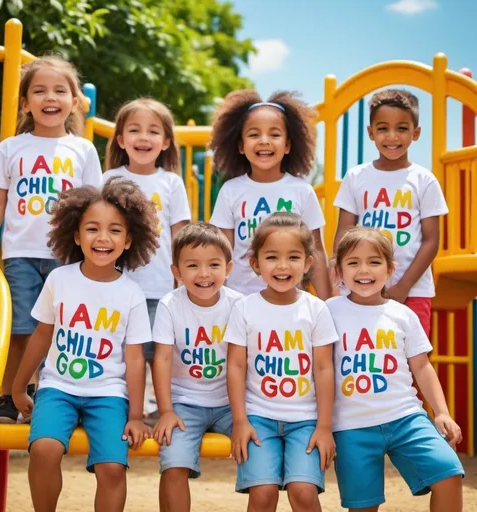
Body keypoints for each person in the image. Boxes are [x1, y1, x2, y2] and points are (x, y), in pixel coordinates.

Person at [0, 55, 103, 423]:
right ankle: (9, 395)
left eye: (60, 90)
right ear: (26, 103)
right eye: (39, 91)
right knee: (20, 331)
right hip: (21, 253)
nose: (49, 97)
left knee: (62, 330)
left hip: (68, 256)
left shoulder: (83, 149)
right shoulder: (12, 147)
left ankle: (50, 394)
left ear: (74, 102)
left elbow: (95, 205)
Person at [12, 177, 160, 512]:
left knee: (111, 467)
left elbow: (135, 359)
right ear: (76, 236)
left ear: (129, 240)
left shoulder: (131, 293)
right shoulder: (59, 280)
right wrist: (21, 386)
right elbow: (41, 336)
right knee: (44, 449)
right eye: (92, 229)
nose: (103, 238)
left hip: (108, 394)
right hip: (57, 389)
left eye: (115, 230)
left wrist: (136, 415)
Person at [327, 227, 464, 512]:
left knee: (449, 473)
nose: (364, 269)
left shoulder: (403, 314)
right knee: (364, 505)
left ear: (390, 269)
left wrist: (441, 412)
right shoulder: (327, 311)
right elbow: (319, 369)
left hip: (405, 418)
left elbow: (422, 366)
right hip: (351, 426)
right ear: (338, 271)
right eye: (353, 262)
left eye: (374, 261)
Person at [225, 212, 338, 512]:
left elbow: (325, 368)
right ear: (255, 263)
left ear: (308, 263)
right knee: (262, 494)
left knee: (302, 492)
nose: (283, 266)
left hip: (306, 421)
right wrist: (240, 421)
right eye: (272, 257)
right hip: (258, 419)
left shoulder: (316, 310)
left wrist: (324, 426)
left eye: (293, 257)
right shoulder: (244, 308)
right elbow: (235, 367)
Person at [333, 89, 448, 335]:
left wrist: (403, 286)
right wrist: (345, 277)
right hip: (360, 287)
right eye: (383, 128)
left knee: (412, 359)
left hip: (413, 290)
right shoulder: (356, 177)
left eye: (402, 128)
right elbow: (344, 232)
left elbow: (431, 240)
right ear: (371, 132)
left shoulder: (424, 180)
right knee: (359, 351)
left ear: (415, 133)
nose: (392, 136)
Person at [103, 98, 191, 421]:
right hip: (116, 284)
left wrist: (181, 276)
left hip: (157, 284)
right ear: (121, 139)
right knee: (123, 347)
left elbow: (180, 232)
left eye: (153, 131)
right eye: (135, 130)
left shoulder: (170, 182)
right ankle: (123, 403)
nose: (144, 137)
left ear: (166, 141)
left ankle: (159, 406)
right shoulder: (109, 178)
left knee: (159, 349)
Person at [152, 222, 241, 512]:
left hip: (231, 403)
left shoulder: (239, 305)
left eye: (213, 265)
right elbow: (162, 359)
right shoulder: (169, 305)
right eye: (192, 265)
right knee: (174, 463)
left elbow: (245, 361)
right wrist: (165, 411)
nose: (204, 274)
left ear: (228, 269)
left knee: (259, 450)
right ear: (176, 272)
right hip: (184, 404)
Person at [209, 90, 331, 299]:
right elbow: (221, 251)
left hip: (290, 302)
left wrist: (327, 301)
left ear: (288, 145)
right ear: (240, 146)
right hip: (240, 301)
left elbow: (317, 252)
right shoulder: (230, 191)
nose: (264, 141)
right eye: (254, 134)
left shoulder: (302, 191)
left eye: (274, 134)